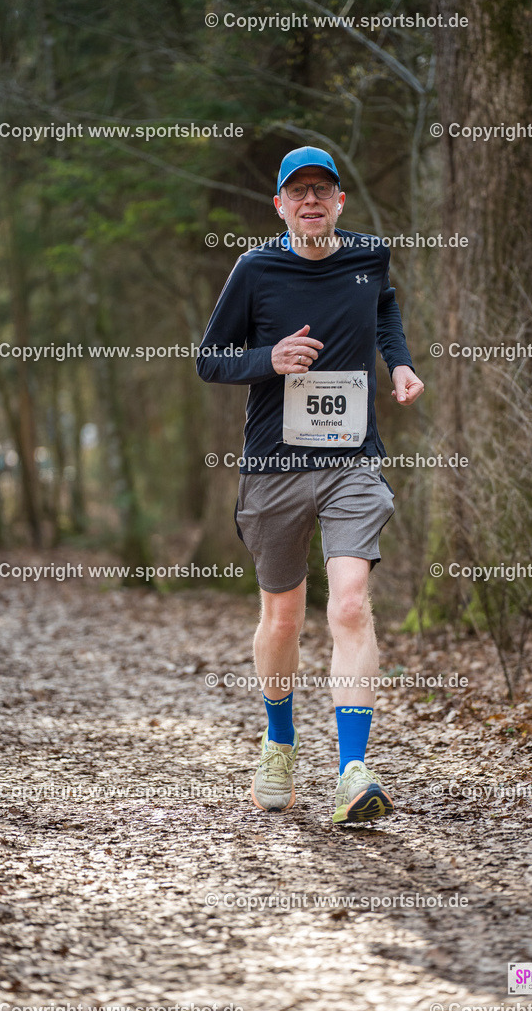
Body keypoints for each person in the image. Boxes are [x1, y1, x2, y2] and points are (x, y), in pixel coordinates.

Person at [196, 145, 424, 824]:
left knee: (350, 604)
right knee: (283, 618)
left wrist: (400, 365)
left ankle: (354, 770)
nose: (311, 202)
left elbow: (383, 310)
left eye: (322, 190)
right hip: (272, 466)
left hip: (352, 459)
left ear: (339, 203)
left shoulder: (367, 258)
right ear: (279, 206)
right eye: (297, 193)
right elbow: (209, 359)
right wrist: (271, 358)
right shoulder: (255, 269)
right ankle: (278, 740)